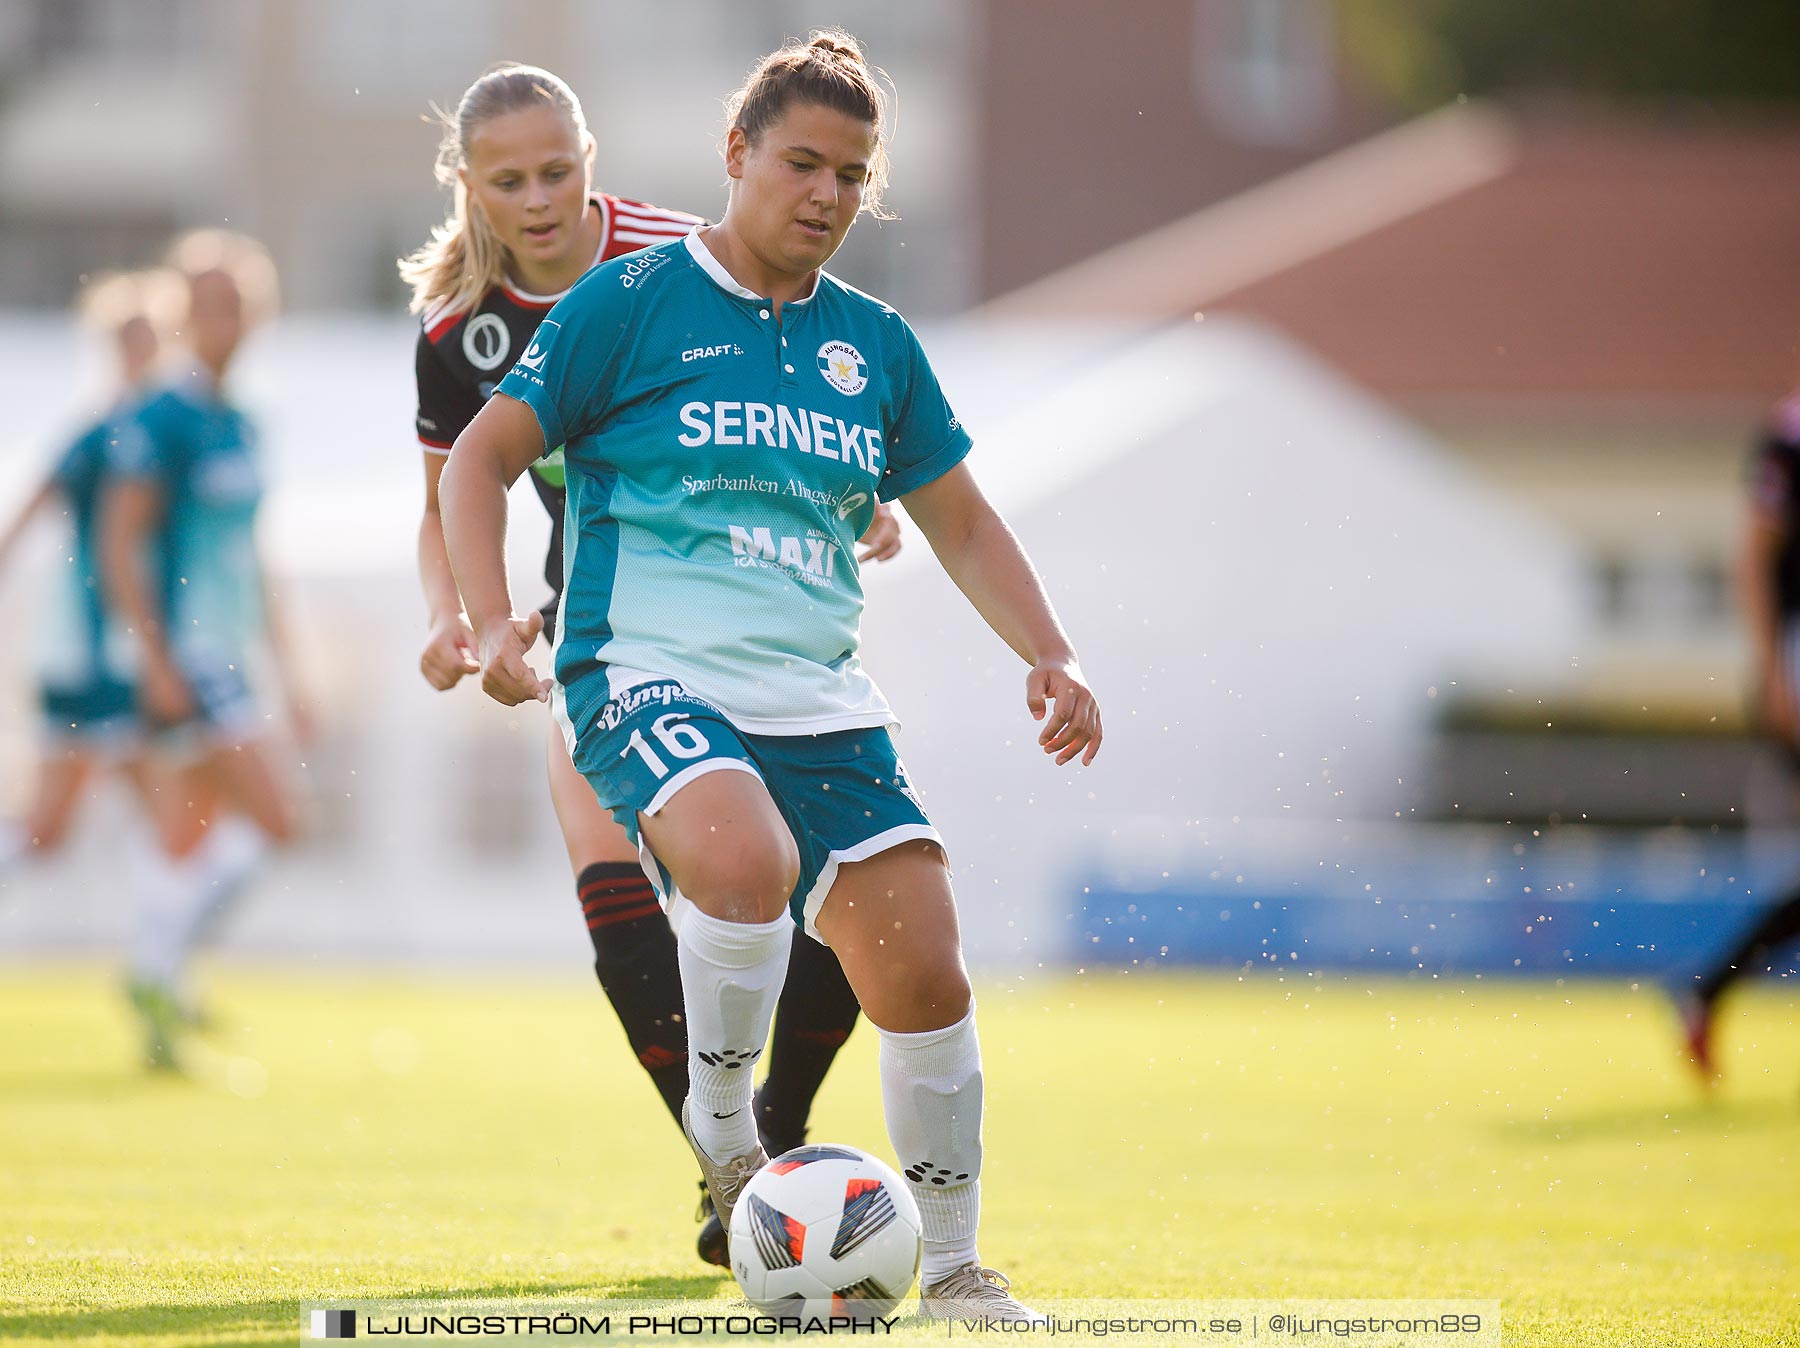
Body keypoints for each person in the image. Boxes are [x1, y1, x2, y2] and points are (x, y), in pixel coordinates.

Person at [441, 31, 1101, 1323]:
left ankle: (958, 1268)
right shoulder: (626, 306)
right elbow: (476, 460)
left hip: (822, 695)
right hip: (642, 667)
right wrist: (486, 625)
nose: (827, 195)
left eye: (853, 176)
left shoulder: (876, 345)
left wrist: (1052, 652)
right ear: (735, 156)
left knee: (925, 972)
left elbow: (960, 519)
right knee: (742, 864)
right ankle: (726, 1126)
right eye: (801, 162)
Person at [399, 63, 898, 1267]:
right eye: (508, 180)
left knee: (824, 901)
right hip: (605, 631)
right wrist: (463, 618)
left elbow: (813, 375)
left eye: (559, 169)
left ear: (592, 155)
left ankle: (777, 1124)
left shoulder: (680, 257)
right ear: (466, 184)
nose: (539, 199)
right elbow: (447, 497)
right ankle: (731, 1168)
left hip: (761, 619)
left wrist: (867, 491)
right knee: (623, 912)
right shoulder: (455, 338)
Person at [99, 229, 304, 1068]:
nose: (224, 320)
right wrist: (152, 659)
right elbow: (118, 544)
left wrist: (290, 670)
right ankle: (156, 969)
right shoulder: (160, 415)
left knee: (188, 834)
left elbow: (254, 557)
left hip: (230, 654)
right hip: (184, 657)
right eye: (207, 305)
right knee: (282, 822)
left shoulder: (246, 421)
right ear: (181, 315)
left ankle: (159, 994)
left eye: (238, 304)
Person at [0, 271, 178, 872]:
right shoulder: (106, 433)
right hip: (97, 645)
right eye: (132, 337)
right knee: (168, 819)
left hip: (118, 644)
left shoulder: (159, 427)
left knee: (55, 827)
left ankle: (163, 952)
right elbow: (24, 518)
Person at [1676, 388, 1800, 1078]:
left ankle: (1707, 990)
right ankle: (1707, 990)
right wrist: (1775, 674)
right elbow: (1752, 556)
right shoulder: (1789, 440)